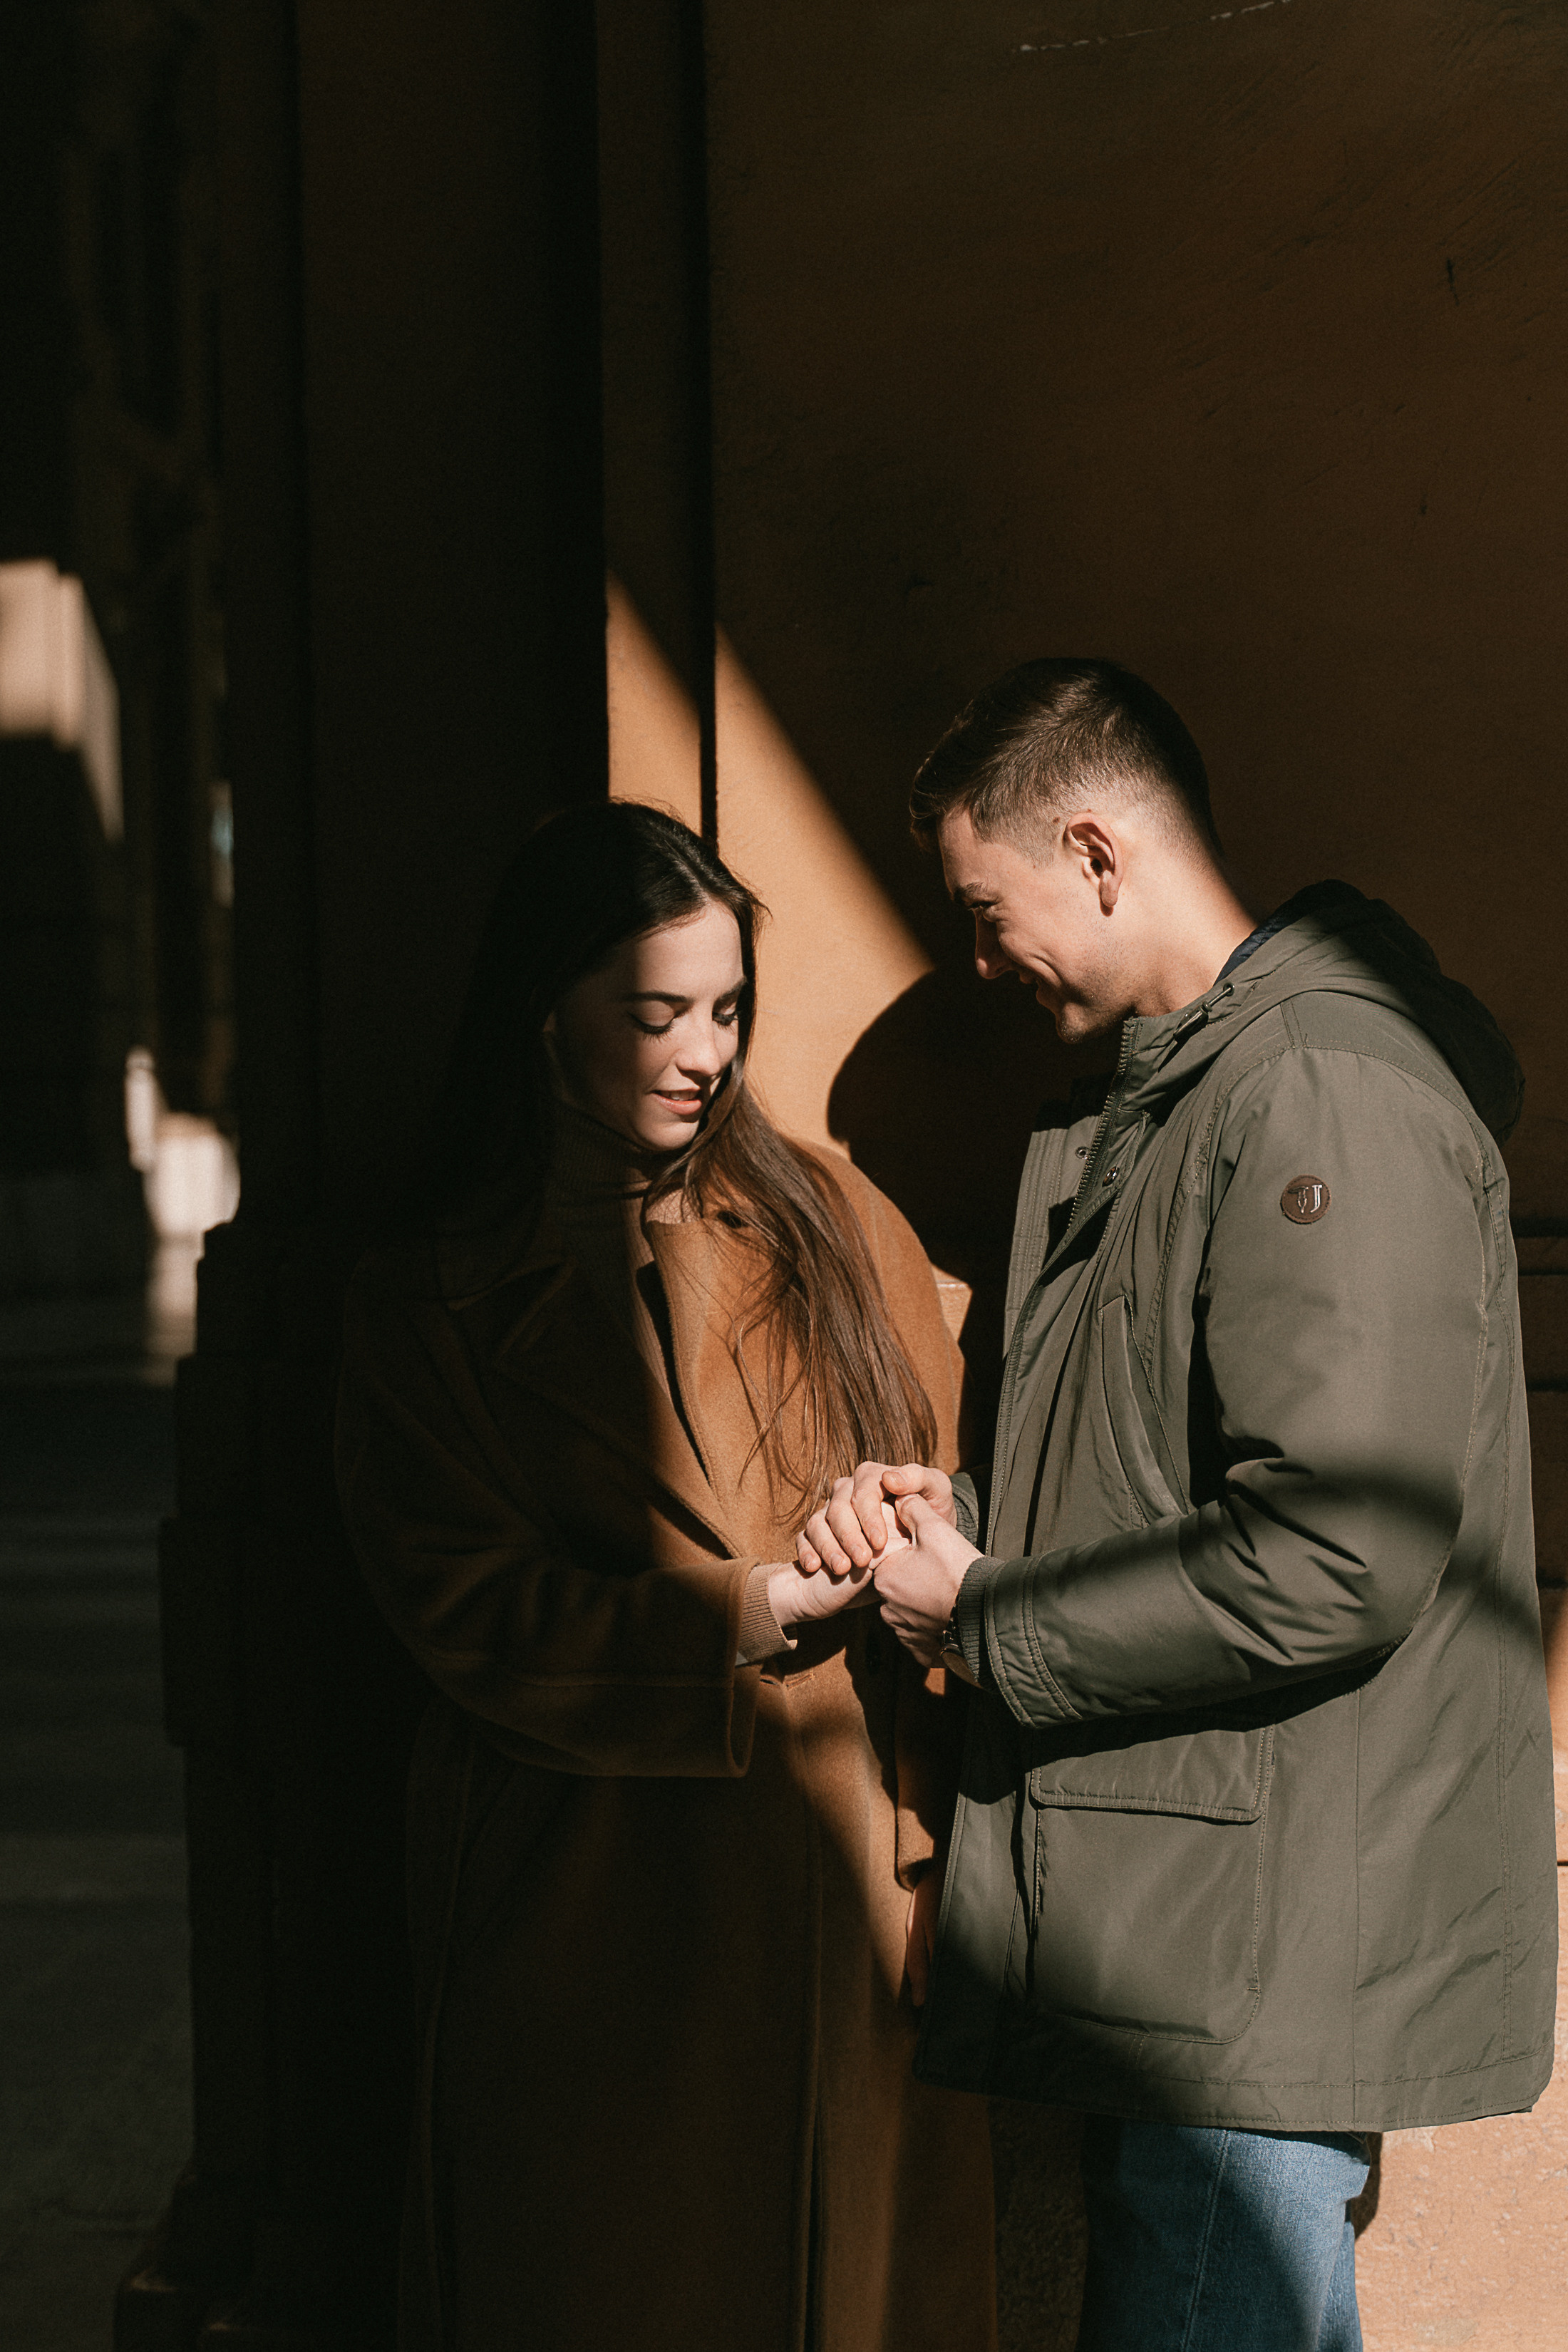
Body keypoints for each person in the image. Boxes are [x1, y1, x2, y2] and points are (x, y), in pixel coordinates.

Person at [801, 659, 1557, 2352]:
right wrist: (961, 1519)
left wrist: (977, 1617)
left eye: (985, 911)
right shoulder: (1166, 1102)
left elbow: (1328, 1552)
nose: (978, 961)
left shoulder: (1317, 1095)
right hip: (1201, 1919)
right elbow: (1166, 1471)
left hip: (1251, 1942)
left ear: (1091, 847)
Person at [335, 801, 995, 2352]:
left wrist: (901, 1524)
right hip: (583, 1904)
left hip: (837, 1887)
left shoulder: (832, 1222)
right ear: (542, 1010)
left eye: (727, 1010)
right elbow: (459, 1608)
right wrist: (745, 1612)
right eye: (653, 1012)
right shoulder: (427, 1291)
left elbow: (959, 1491)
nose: (702, 1052)